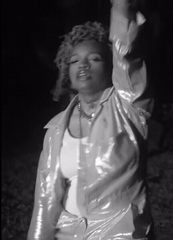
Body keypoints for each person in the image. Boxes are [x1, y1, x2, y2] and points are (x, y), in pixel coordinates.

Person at [28, 1, 153, 239]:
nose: (83, 65)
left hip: (120, 232)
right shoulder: (55, 128)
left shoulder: (129, 108)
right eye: (74, 60)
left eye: (94, 58)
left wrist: (120, 6)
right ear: (68, 72)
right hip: (67, 232)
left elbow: (126, 51)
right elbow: (45, 200)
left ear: (111, 68)